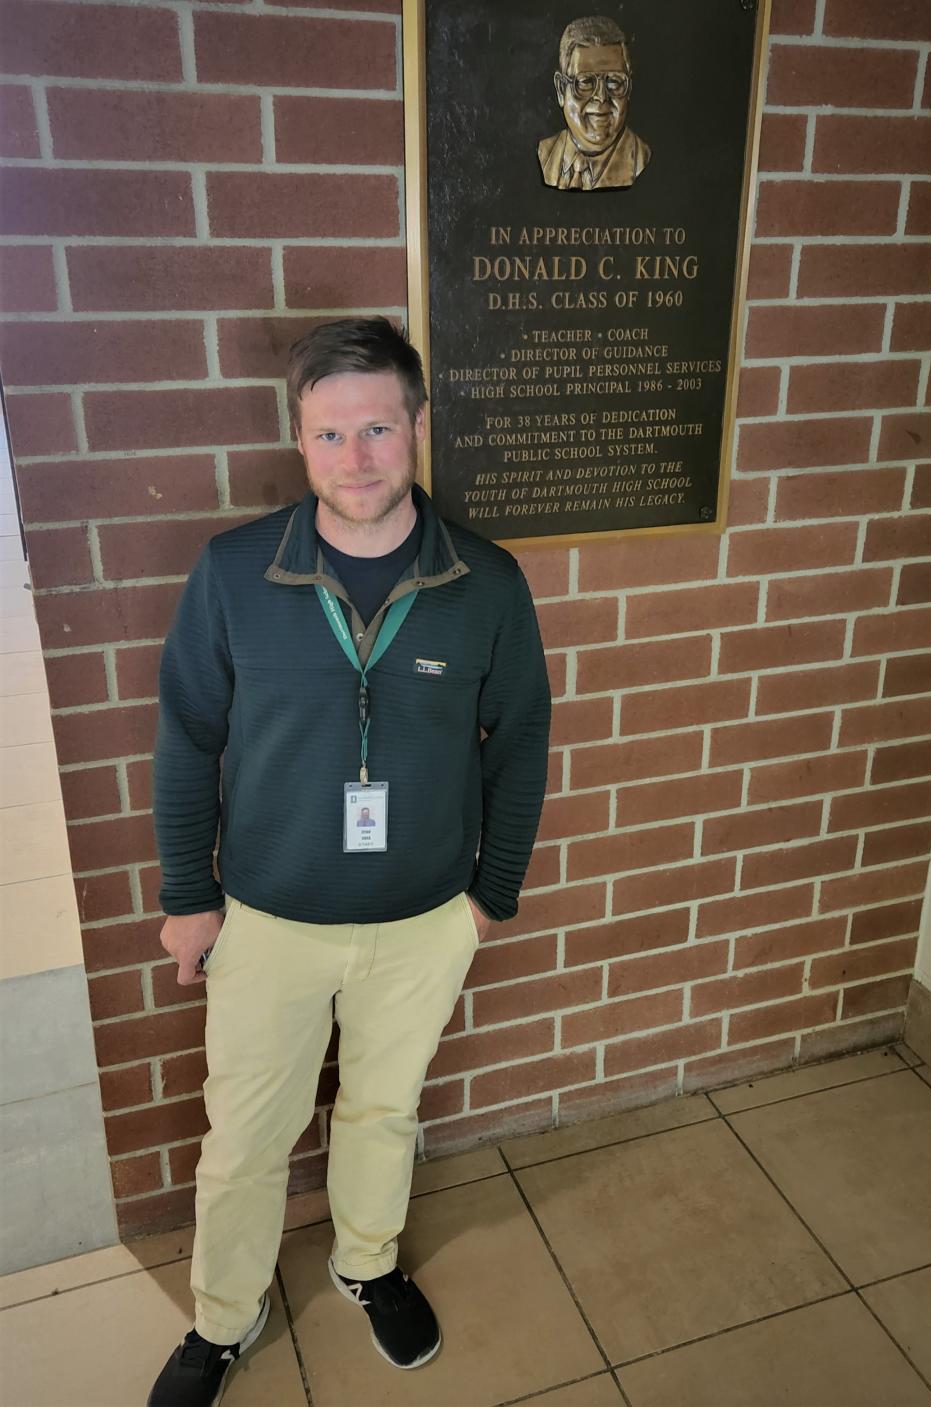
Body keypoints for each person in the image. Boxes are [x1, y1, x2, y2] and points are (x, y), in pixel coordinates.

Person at [146, 317, 551, 1406]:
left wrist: (488, 899)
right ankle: (224, 1319)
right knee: (245, 1137)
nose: (356, 457)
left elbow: (521, 744)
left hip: (425, 919)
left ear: (419, 427)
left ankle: (366, 1261)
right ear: (298, 438)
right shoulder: (236, 571)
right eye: (330, 434)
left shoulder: (486, 583)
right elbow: (186, 737)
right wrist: (190, 901)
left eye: (379, 427)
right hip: (268, 917)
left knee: (384, 1109)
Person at [537, 15, 651, 191]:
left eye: (613, 81)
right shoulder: (546, 153)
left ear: (628, 88)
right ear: (561, 89)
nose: (601, 97)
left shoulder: (640, 159)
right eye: (585, 82)